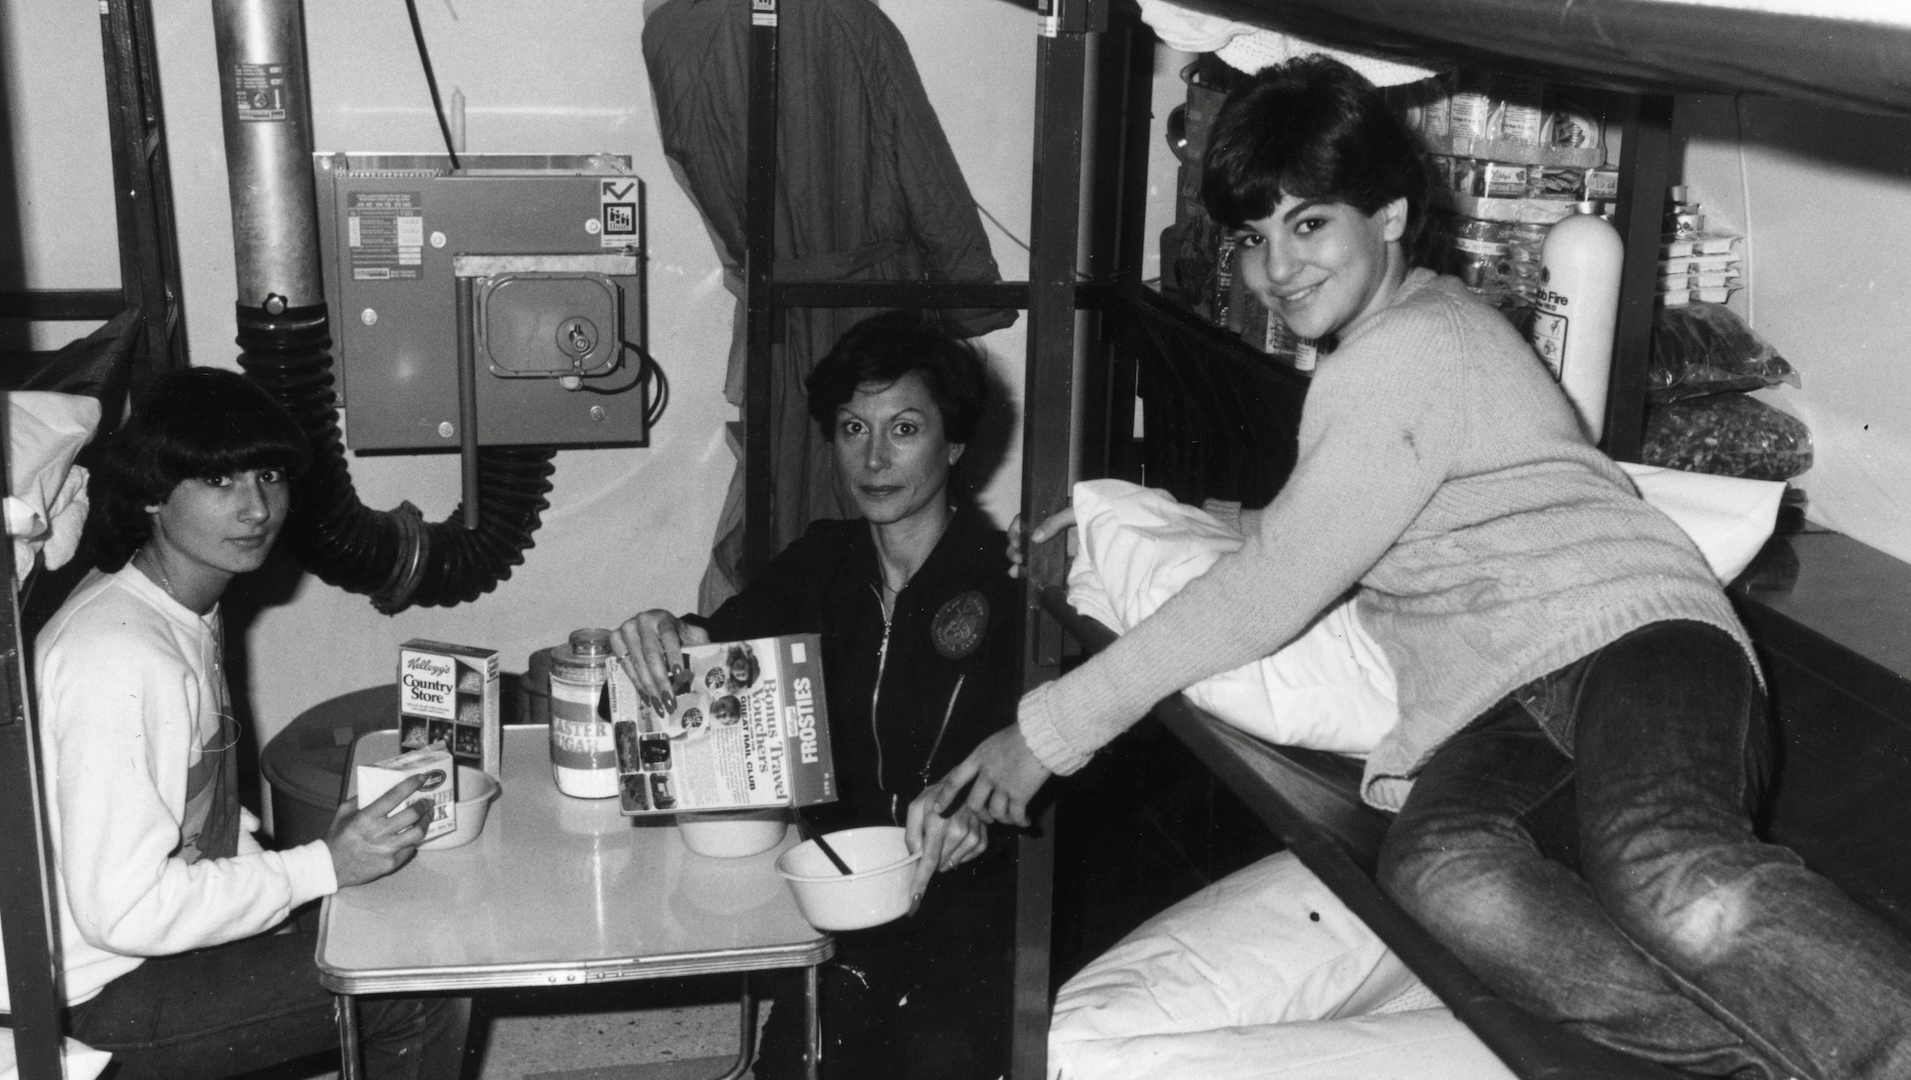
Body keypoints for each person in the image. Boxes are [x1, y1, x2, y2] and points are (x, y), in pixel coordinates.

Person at [934, 55, 1911, 1080]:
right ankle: (1761, 1059)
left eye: (1308, 223)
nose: (1276, 267)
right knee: (1446, 874)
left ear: (1391, 215)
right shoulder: (1384, 351)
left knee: (1670, 876)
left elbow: (1266, 591)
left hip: (1634, 639)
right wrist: (1172, 518)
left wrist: (1048, 733)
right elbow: (1328, 522)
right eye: (1253, 238)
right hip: (1504, 697)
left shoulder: (1416, 344)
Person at [0, 368, 469, 1079]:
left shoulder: (179, 605)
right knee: (420, 981)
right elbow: (122, 915)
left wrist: (321, 869)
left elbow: (197, 805)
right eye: (219, 483)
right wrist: (321, 866)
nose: (256, 509)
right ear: (154, 495)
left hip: (128, 952)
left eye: (269, 476)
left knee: (399, 915)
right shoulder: (121, 655)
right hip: (87, 996)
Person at [614, 310, 1018, 1080]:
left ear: (955, 443)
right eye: (851, 427)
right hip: (839, 907)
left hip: (976, 913)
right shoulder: (821, 565)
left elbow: (1058, 757)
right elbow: (705, 659)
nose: (873, 457)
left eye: (904, 428)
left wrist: (984, 814)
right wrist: (667, 636)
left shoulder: (1008, 582)